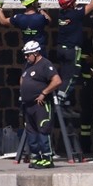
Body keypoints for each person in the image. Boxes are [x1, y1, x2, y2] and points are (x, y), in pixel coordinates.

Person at [54, 0, 93, 98]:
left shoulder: (62, 14)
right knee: (72, 74)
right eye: (74, 1)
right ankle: (61, 98)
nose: (76, 2)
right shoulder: (75, 14)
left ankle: (61, 97)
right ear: (70, 5)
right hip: (71, 50)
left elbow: (67, 4)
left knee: (64, 74)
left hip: (61, 48)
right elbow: (92, 5)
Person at [19, 39, 62, 169]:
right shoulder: (28, 65)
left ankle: (47, 158)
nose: (26, 57)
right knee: (31, 132)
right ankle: (36, 157)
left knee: (43, 130)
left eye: (28, 54)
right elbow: (23, 78)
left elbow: (57, 80)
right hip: (28, 105)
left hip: (41, 105)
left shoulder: (45, 64)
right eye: (25, 55)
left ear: (36, 53)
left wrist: (44, 92)